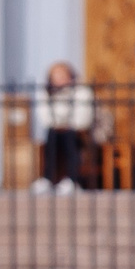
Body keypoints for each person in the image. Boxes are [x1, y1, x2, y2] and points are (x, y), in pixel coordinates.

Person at [31, 61, 99, 194]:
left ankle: (72, 180)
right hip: (56, 131)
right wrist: (59, 124)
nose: (60, 80)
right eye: (56, 77)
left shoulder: (81, 91)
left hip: (79, 132)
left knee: (69, 136)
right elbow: (46, 118)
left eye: (62, 76)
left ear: (70, 76)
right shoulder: (47, 93)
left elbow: (83, 118)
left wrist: (68, 124)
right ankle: (47, 179)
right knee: (52, 135)